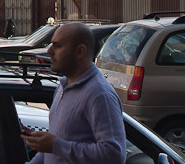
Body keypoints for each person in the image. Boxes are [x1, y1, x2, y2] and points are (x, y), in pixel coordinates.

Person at [22, 23, 126, 164]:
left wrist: (56, 145)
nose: (49, 51)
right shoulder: (63, 86)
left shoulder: (99, 94)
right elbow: (51, 151)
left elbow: (113, 154)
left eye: (57, 46)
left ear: (80, 52)